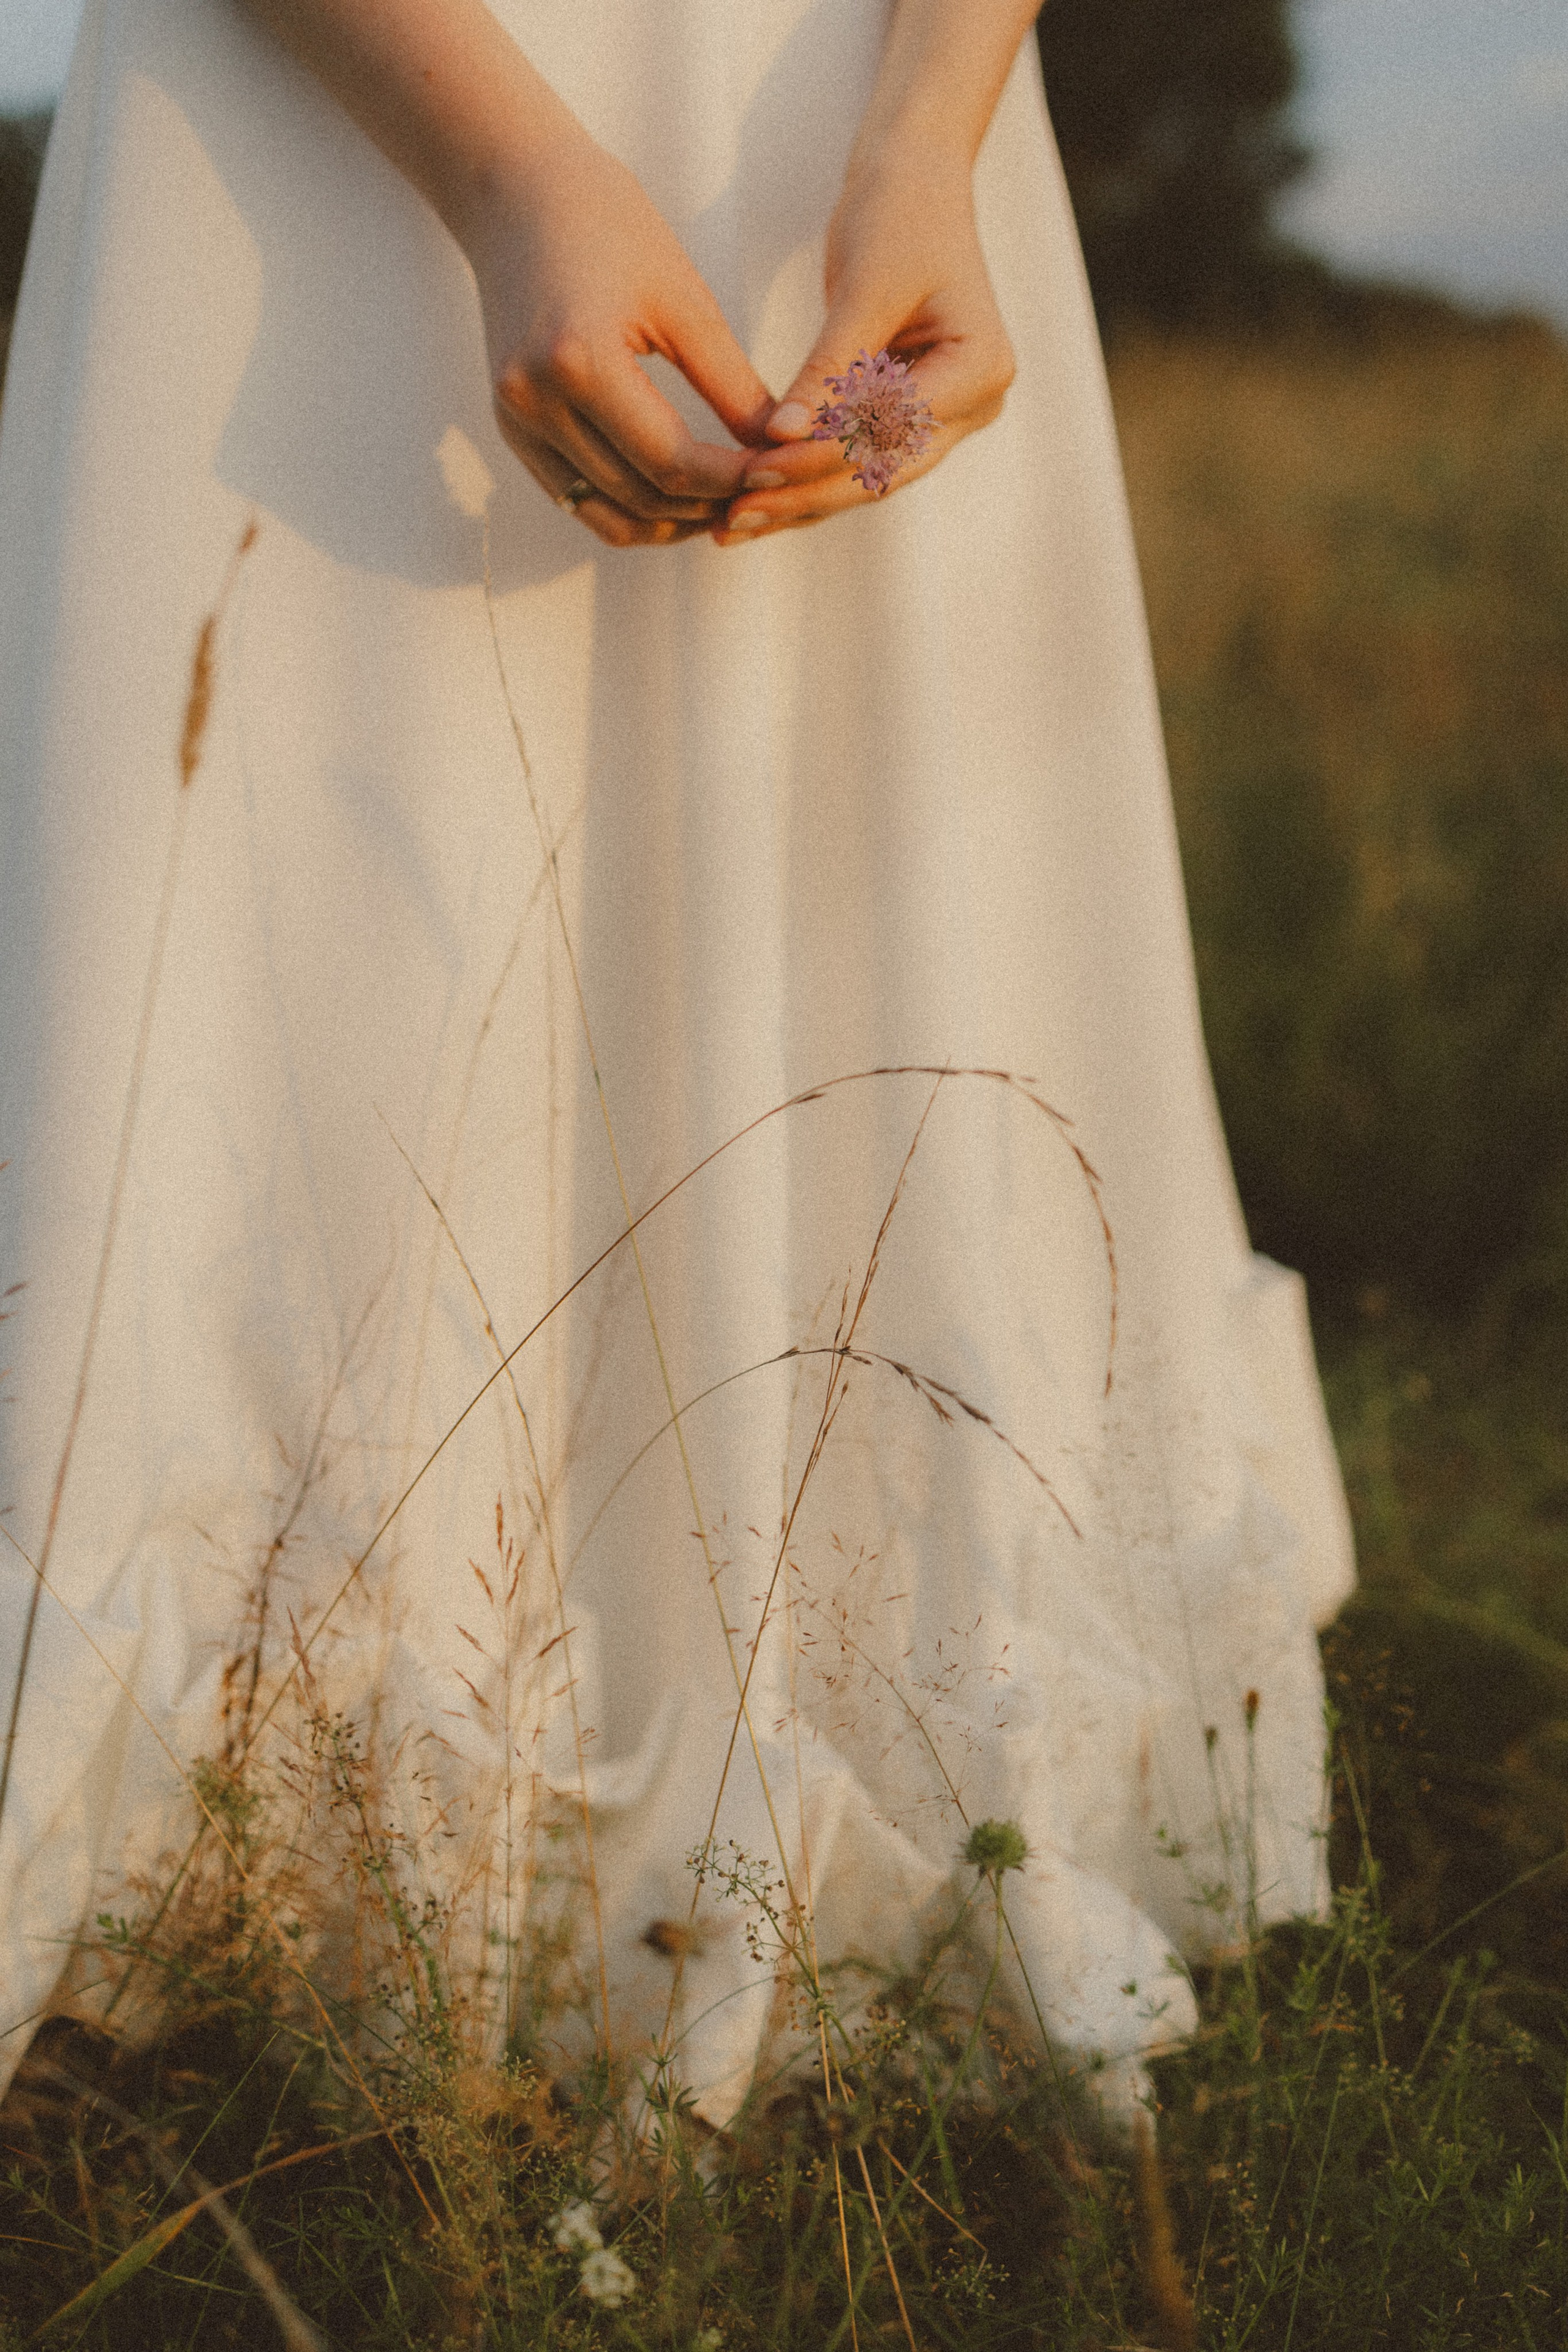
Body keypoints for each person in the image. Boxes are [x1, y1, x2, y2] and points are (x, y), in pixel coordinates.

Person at [0, 0, 1353, 2124]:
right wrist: (506, 161)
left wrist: (928, 137)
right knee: (341, 908)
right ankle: (264, 1856)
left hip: (849, 131)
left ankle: (855, 1813)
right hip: (330, 123)